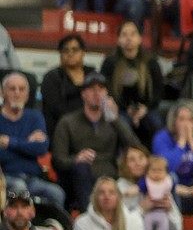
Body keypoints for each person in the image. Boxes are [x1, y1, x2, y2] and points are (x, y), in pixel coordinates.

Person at [51, 71, 140, 211]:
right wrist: (76, 159)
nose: (96, 93)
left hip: (109, 177)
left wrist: (115, 119)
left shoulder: (115, 121)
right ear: (83, 94)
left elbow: (136, 149)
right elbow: (57, 160)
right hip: (79, 178)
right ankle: (90, 217)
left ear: (107, 94)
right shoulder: (67, 122)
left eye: (101, 89)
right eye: (91, 89)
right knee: (81, 169)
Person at [0, 72, 67, 209]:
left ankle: (51, 228)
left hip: (32, 178)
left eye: (21, 89)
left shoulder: (35, 117)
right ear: (2, 93)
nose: (17, 93)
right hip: (5, 178)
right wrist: (27, 143)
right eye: (12, 89)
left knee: (57, 193)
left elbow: (41, 149)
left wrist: (9, 142)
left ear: (27, 94)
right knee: (20, 188)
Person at [40, 34, 95, 137]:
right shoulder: (51, 78)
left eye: (75, 49)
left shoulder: (93, 76)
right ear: (60, 54)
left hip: (93, 127)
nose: (70, 53)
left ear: (83, 52)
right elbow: (56, 109)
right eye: (65, 50)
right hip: (62, 129)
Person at [141, 156, 174, 230]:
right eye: (153, 170)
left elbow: (178, 189)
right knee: (146, 228)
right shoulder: (145, 182)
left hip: (162, 212)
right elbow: (137, 189)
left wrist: (189, 190)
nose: (157, 174)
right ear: (147, 172)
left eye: (160, 170)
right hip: (149, 212)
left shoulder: (168, 183)